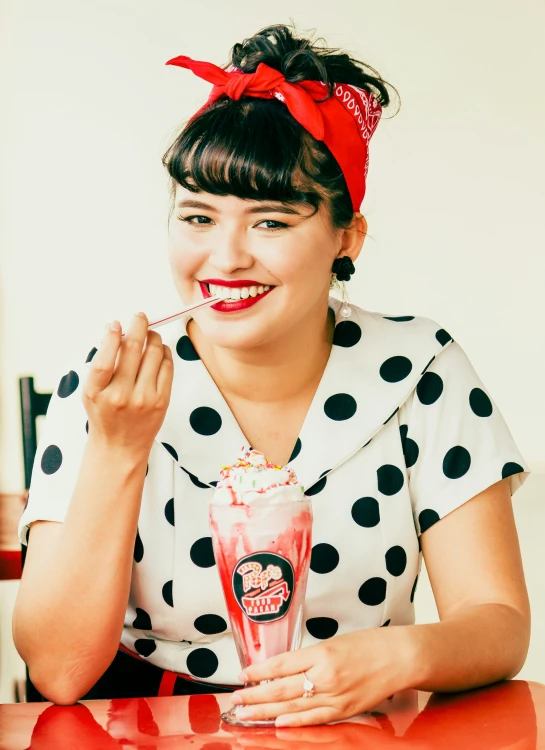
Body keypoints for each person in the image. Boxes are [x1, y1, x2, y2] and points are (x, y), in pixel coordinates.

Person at [13, 23, 531, 727]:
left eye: (270, 223)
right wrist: (118, 448)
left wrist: (401, 656)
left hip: (357, 731)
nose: (223, 257)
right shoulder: (108, 388)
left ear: (346, 238)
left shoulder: (420, 373)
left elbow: (497, 623)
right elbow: (59, 672)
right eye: (197, 216)